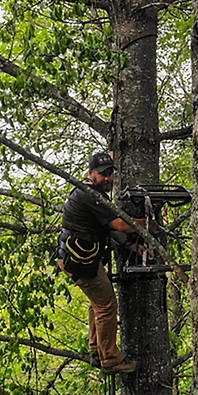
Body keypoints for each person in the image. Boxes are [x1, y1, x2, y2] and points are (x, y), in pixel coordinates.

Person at [56, 152, 141, 374]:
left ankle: (96, 348)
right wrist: (148, 225)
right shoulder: (89, 195)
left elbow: (109, 230)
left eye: (111, 173)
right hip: (80, 261)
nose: (108, 178)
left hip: (75, 258)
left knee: (98, 303)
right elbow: (121, 225)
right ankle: (111, 359)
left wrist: (133, 246)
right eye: (103, 174)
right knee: (106, 306)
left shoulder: (91, 194)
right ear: (91, 174)